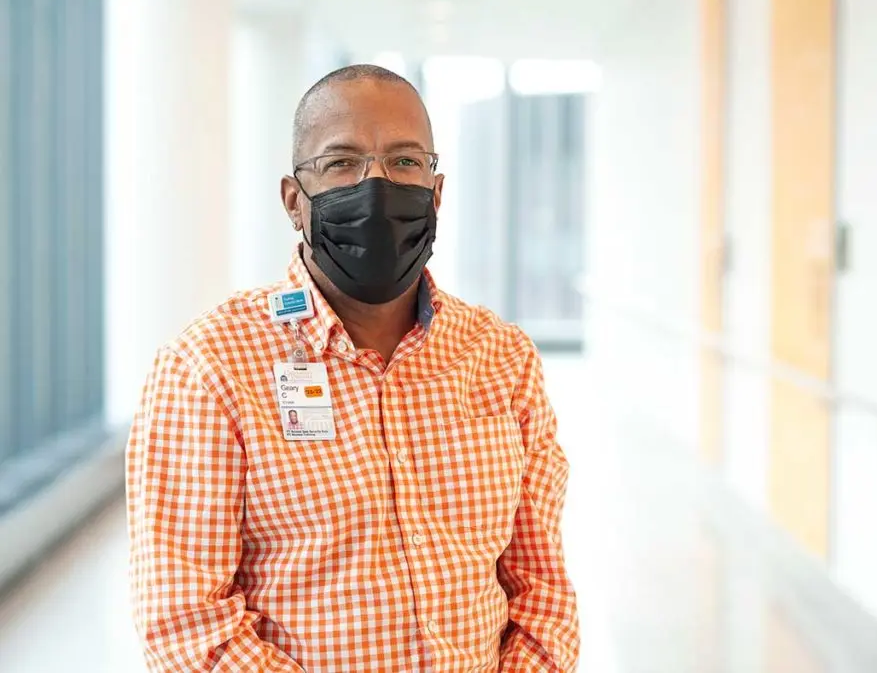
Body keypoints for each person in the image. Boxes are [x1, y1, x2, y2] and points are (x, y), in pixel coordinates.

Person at [126, 64, 580, 672]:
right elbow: (185, 622)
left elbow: (541, 586)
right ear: (294, 201)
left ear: (437, 193)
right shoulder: (209, 369)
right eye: (342, 163)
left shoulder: (502, 358)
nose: (377, 186)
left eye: (405, 162)